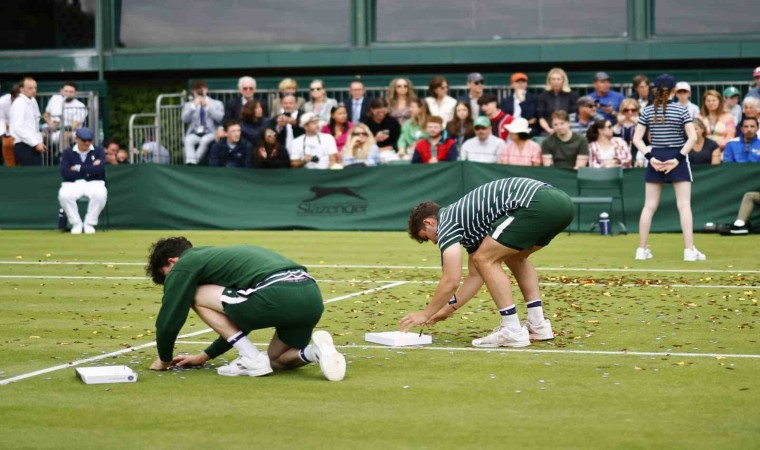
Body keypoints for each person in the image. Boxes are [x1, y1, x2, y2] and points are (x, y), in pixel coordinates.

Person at [400, 177, 574, 348]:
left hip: (536, 201)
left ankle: (512, 330)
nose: (435, 242)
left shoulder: (446, 222)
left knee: (484, 259)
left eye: (427, 236)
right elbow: (476, 275)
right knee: (515, 257)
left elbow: (451, 280)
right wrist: (446, 310)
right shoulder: (467, 223)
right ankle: (538, 325)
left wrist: (425, 313)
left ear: (429, 222)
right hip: (562, 203)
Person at [145, 237, 346, 382]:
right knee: (278, 361)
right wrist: (205, 356)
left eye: (167, 276)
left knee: (195, 294)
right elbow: (237, 317)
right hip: (311, 296)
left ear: (172, 261)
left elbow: (169, 319)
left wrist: (164, 359)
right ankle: (317, 352)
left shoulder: (185, 264)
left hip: (276, 294)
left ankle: (251, 357)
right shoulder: (219, 257)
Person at [632, 73, 703, 262]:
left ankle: (641, 249)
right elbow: (693, 138)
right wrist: (678, 158)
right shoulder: (682, 110)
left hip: (656, 156)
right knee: (684, 206)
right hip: (676, 157)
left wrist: (650, 157)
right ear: (673, 91)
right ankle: (689, 251)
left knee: (649, 206)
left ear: (655, 89)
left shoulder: (647, 111)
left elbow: (637, 139)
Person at [57, 127, 107, 235]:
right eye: (84, 140)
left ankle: (89, 223)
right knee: (64, 195)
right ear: (77, 139)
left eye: (90, 140)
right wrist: (89, 170)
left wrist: (78, 167)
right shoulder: (68, 153)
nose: (87, 143)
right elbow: (65, 173)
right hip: (73, 184)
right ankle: (76, 223)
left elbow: (99, 170)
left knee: (101, 194)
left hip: (94, 183)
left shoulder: (98, 151)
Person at [182, 80, 224, 165]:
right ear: (193, 92)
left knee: (204, 140)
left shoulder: (217, 103)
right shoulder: (188, 105)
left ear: (206, 90)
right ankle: (192, 162)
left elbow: (220, 119)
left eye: (202, 89)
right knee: (188, 140)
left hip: (211, 133)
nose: (200, 92)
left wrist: (208, 106)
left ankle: (193, 164)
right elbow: (184, 119)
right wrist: (193, 106)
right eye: (197, 90)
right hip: (195, 132)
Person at [10, 77, 45, 166]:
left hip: (33, 145)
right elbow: (18, 127)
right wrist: (36, 143)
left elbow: (35, 124)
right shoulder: (19, 103)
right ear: (21, 89)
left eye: (35, 88)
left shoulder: (33, 101)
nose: (33, 90)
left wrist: (38, 141)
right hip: (23, 145)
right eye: (30, 88)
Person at [42, 82, 87, 148]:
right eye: (66, 91)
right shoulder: (55, 98)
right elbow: (46, 115)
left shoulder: (80, 106)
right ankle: (43, 158)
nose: (68, 94)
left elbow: (73, 127)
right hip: (50, 130)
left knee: (64, 135)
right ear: (61, 91)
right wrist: (50, 123)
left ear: (75, 93)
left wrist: (56, 127)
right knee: (39, 136)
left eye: (71, 92)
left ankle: (65, 157)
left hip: (71, 133)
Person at [537, 67, 578, 135]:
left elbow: (573, 115)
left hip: (568, 129)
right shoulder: (543, 96)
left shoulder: (572, 95)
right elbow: (541, 117)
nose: (556, 82)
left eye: (558, 79)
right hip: (548, 130)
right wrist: (549, 129)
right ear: (549, 81)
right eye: (553, 79)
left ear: (563, 80)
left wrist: (564, 128)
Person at [1, 84, 20, 166]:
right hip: (5, 129)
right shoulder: (2, 102)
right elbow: (1, 119)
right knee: (7, 143)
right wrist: (5, 132)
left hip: (20, 129)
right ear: (13, 96)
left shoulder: (27, 101)